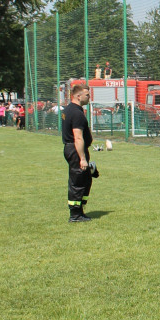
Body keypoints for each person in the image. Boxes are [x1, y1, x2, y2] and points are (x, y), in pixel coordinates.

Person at [62, 83, 95, 223]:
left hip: (72, 149)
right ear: (78, 96)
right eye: (87, 95)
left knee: (86, 178)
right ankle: (75, 215)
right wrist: (82, 158)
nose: (89, 97)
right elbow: (78, 137)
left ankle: (80, 210)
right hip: (75, 150)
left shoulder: (69, 109)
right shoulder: (76, 113)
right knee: (77, 181)